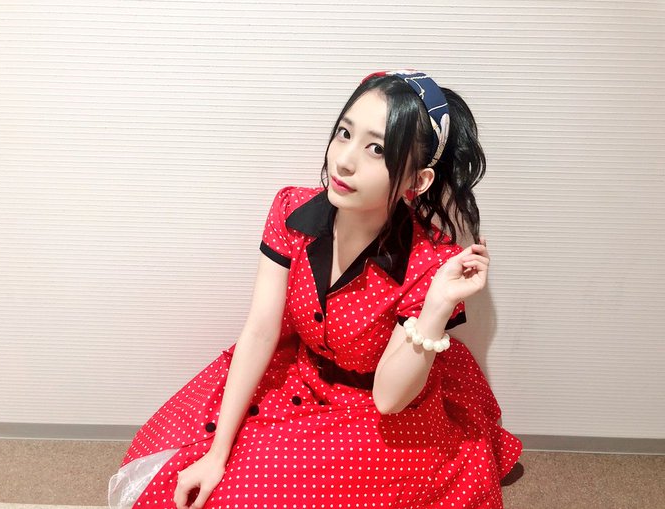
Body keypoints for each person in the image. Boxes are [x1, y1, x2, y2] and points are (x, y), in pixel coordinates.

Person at [108, 70, 523, 509]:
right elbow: (260, 332)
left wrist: (438, 305)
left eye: (377, 149)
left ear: (416, 182)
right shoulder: (291, 211)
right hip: (299, 373)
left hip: (375, 414)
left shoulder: (428, 262)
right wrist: (217, 452)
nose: (344, 160)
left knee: (240, 498)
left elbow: (388, 400)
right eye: (344, 133)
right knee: (171, 459)